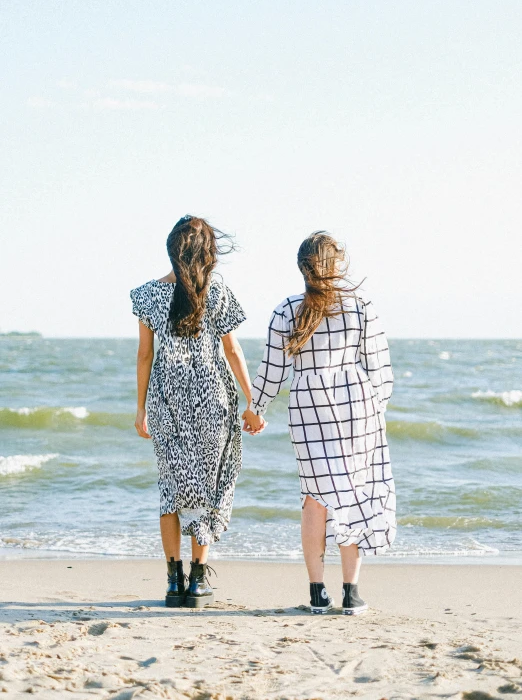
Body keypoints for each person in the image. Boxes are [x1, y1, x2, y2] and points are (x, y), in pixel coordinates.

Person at [243, 231, 395, 615]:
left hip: (307, 406)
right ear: (336, 264)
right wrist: (377, 410)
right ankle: (351, 592)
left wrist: (256, 408)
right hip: (356, 403)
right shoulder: (360, 306)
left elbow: (272, 372)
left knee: (314, 497)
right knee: (354, 492)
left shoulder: (285, 310)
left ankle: (316, 592)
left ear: (302, 267)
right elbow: (380, 369)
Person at [131, 215, 258, 608]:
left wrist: (140, 409)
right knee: (208, 487)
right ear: (207, 253)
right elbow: (233, 352)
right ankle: (198, 582)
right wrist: (253, 401)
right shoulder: (217, 293)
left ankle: (173, 582)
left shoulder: (148, 295)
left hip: (166, 400)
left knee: (170, 489)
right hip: (212, 401)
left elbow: (145, 356)